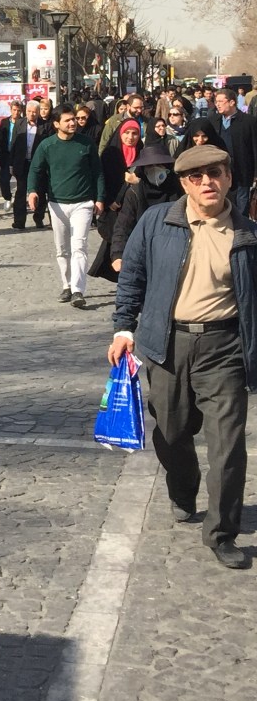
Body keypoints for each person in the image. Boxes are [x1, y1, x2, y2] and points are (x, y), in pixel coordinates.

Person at [110, 145, 257, 569]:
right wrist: (123, 328)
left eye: (215, 173)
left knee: (228, 444)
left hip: (224, 348)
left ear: (229, 177)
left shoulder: (248, 234)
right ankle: (183, 485)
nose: (207, 182)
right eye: (196, 176)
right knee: (171, 433)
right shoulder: (158, 222)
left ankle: (221, 532)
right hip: (167, 344)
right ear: (184, 183)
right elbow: (132, 275)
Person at [27, 105, 105, 309]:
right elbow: (35, 170)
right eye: (68, 120)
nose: (73, 123)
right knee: (62, 249)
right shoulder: (47, 145)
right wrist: (32, 191)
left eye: (74, 119)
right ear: (56, 124)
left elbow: (97, 172)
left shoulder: (86, 143)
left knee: (79, 246)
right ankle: (67, 285)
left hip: (83, 203)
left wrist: (99, 198)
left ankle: (78, 290)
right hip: (57, 204)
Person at [211, 88, 257, 217]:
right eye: (216, 101)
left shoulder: (249, 121)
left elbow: (254, 146)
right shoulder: (213, 121)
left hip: (242, 169)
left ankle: (241, 225)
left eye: (221, 101)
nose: (218, 104)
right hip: (220, 169)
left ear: (232, 102)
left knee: (242, 201)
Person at [9, 101, 49, 230]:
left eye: (34, 112)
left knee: (40, 191)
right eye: (29, 111)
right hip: (22, 163)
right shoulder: (19, 123)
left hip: (38, 164)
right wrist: (11, 164)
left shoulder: (45, 125)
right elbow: (13, 143)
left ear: (38, 112)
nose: (31, 114)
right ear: (25, 111)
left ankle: (39, 218)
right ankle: (19, 221)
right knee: (21, 192)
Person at [0, 101, 24, 205]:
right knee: (4, 179)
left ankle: (19, 200)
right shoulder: (5, 122)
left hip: (18, 155)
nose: (16, 112)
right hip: (6, 154)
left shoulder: (23, 123)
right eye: (14, 110)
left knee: (20, 180)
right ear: (11, 110)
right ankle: (7, 197)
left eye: (18, 110)